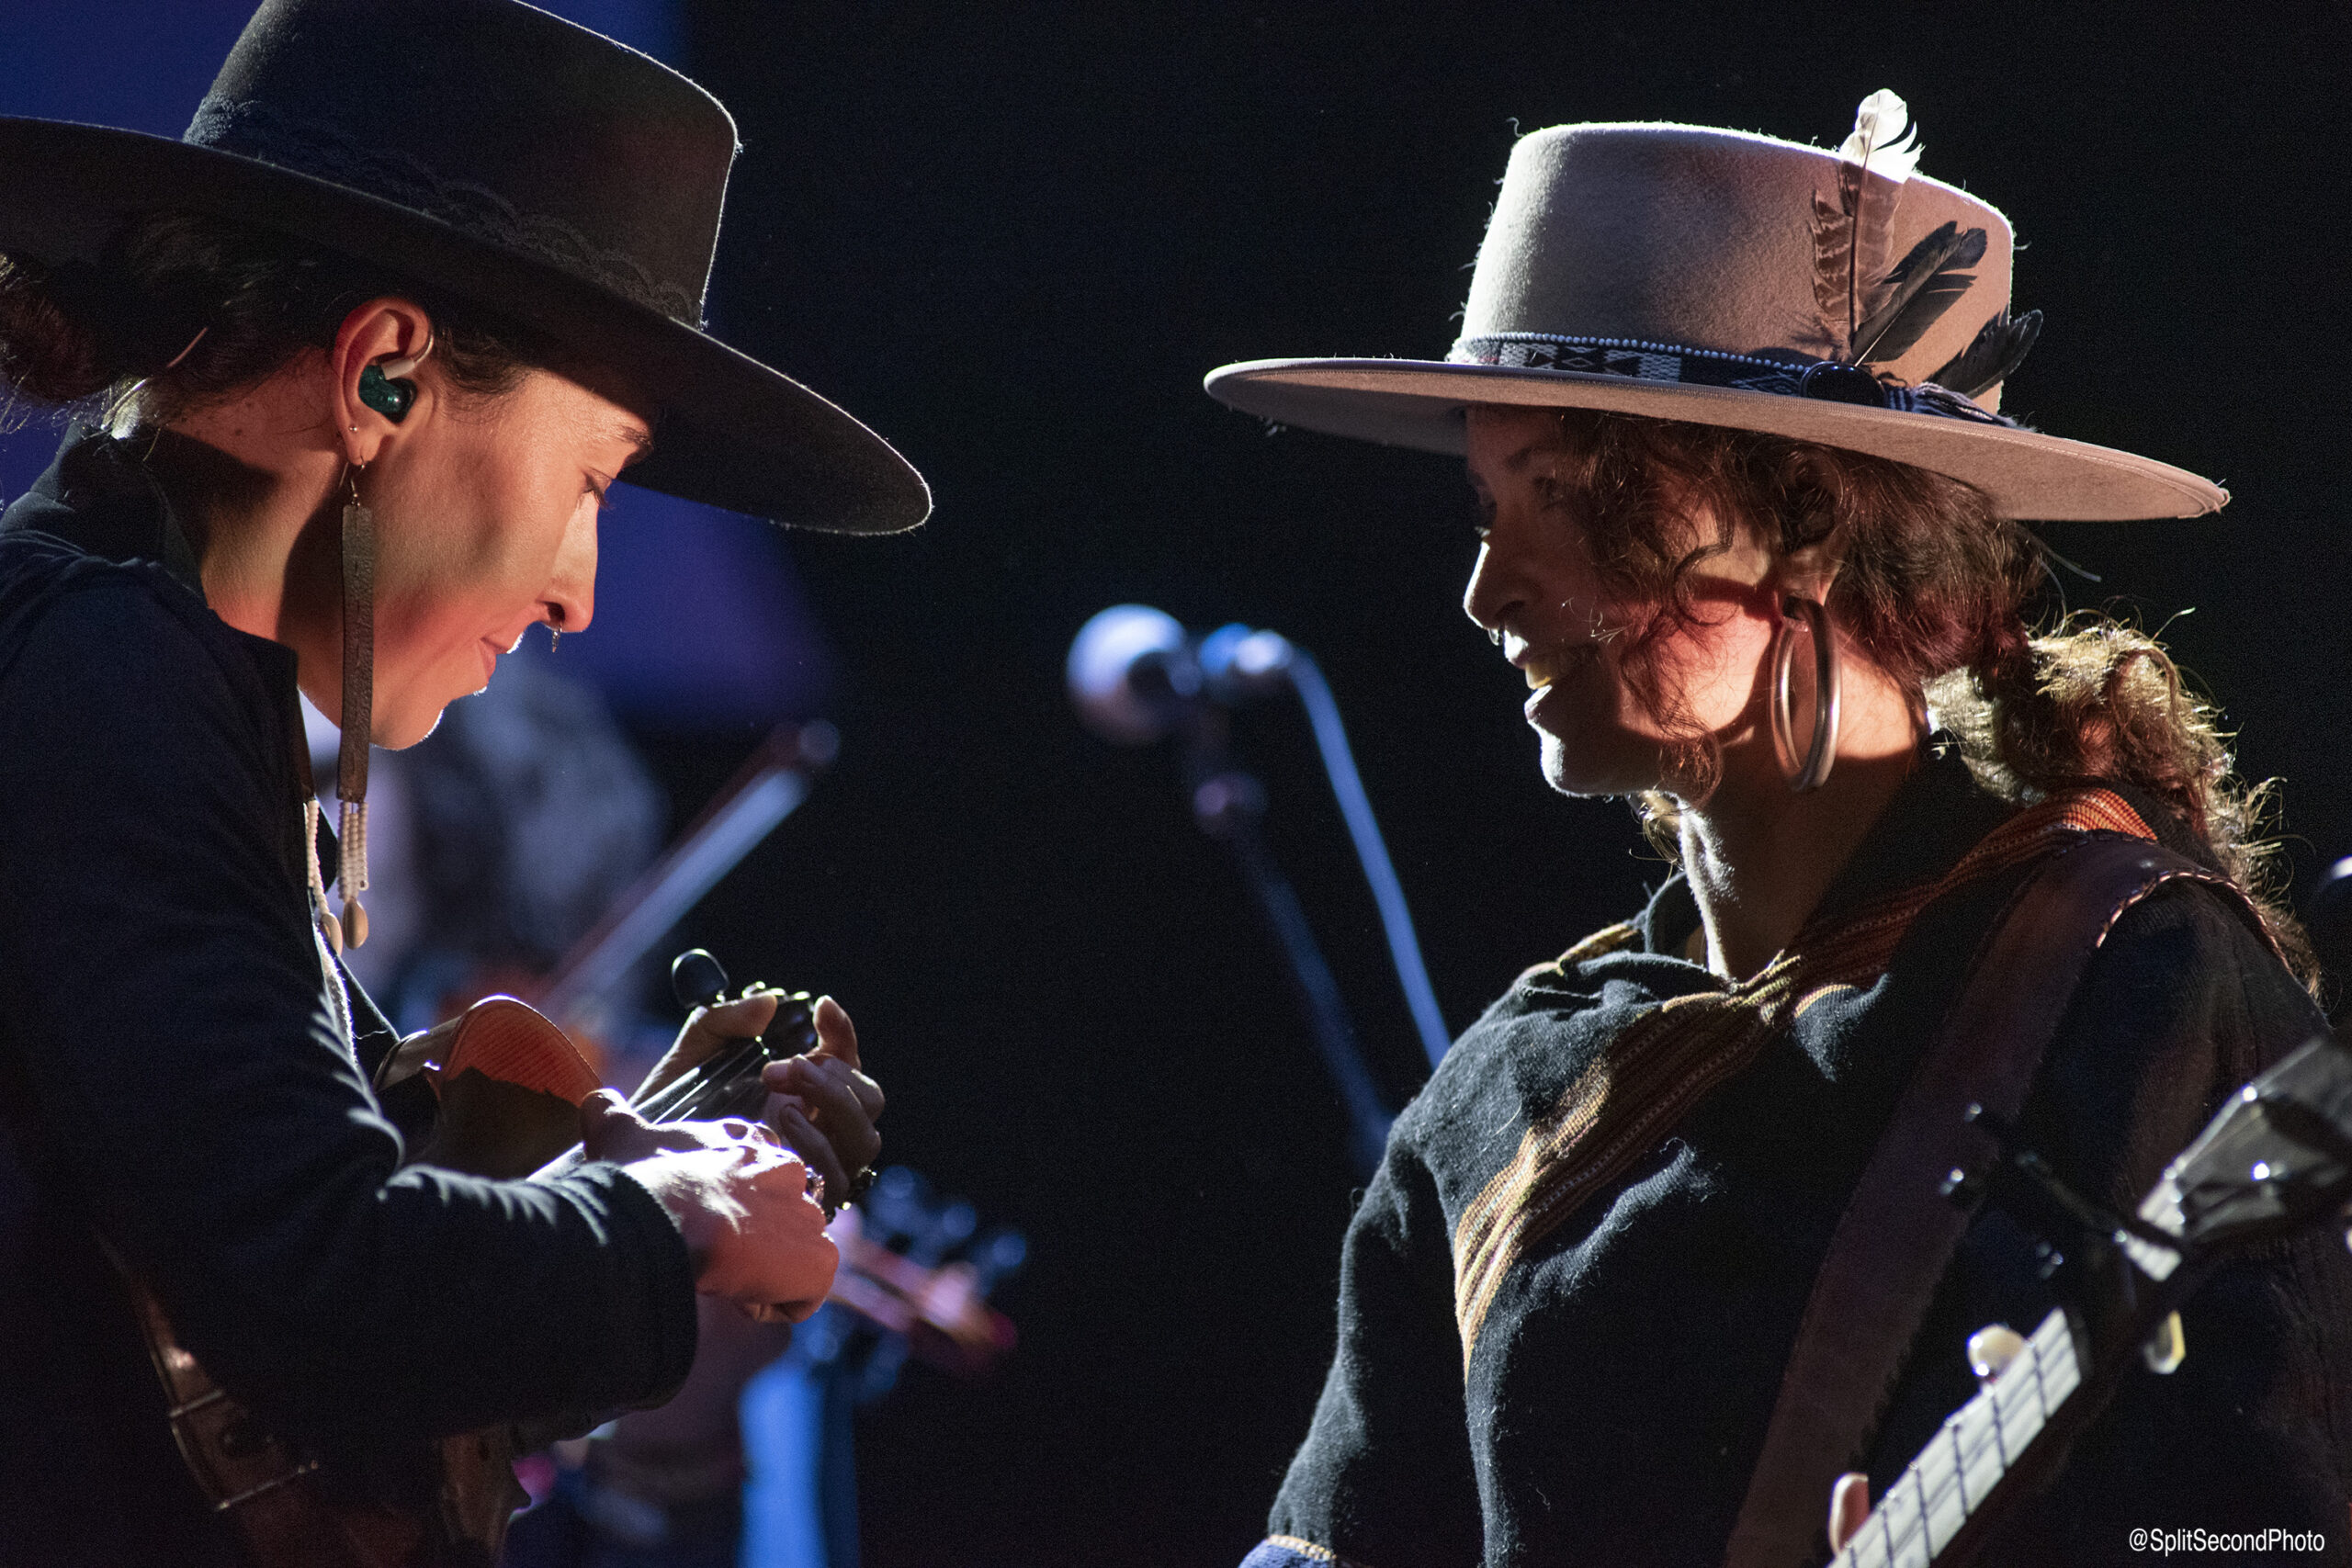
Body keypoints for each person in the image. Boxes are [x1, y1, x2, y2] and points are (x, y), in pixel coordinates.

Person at [1204, 96, 2352, 1565]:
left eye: (1558, 493)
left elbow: (2263, 1534)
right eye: (1487, 504)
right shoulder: (1511, 1085)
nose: (1488, 593)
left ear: (1803, 524)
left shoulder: (2132, 981)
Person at [0, 1, 923, 1562]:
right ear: (383, 380)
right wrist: (676, 1212)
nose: (578, 594)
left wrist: (629, 1173)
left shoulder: (138, 676)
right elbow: (324, 1282)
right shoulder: (102, 682)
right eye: (591, 482)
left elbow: (260, 1371)